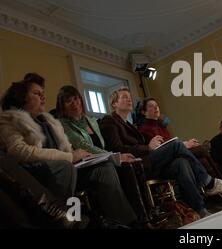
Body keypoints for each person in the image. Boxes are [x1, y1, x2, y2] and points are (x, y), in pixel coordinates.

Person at [0, 73, 137, 226]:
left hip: (69, 168)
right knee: (64, 167)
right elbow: (19, 151)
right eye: (37, 94)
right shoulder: (9, 120)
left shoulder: (51, 123)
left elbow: (70, 151)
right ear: (21, 97)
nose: (43, 98)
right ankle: (64, 221)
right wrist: (69, 157)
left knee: (104, 168)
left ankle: (124, 222)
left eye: (43, 94)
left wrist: (79, 156)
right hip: (39, 174)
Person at [98, 87, 222, 218]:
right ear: (114, 104)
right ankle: (209, 182)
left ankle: (200, 209)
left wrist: (149, 145)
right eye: (124, 97)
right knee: (176, 145)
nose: (129, 100)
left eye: (129, 97)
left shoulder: (129, 125)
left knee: (181, 162)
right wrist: (148, 147)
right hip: (137, 166)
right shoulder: (109, 121)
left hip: (149, 161)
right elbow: (117, 149)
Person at [56, 85, 160, 226]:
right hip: (83, 167)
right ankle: (134, 221)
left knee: (127, 165)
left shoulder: (91, 121)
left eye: (76, 99)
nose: (74, 103)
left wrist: (115, 157)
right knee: (114, 166)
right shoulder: (62, 124)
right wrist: (114, 156)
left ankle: (143, 216)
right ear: (62, 106)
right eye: (69, 101)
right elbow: (83, 145)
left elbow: (102, 146)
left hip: (101, 160)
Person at [138, 97, 222, 179]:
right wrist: (185, 145)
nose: (156, 107)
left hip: (174, 154)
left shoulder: (161, 126)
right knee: (201, 149)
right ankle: (218, 181)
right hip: (166, 161)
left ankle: (217, 184)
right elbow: (165, 148)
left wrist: (185, 143)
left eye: (156, 105)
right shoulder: (144, 129)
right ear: (144, 112)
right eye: (151, 106)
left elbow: (171, 142)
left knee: (202, 160)